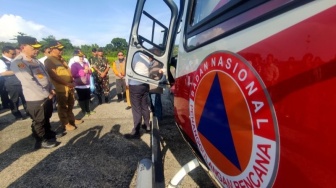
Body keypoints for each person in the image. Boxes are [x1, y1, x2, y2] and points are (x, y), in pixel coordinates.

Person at [11, 36, 59, 149]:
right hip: (36, 97)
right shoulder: (19, 62)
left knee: (46, 116)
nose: (37, 50)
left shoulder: (35, 60)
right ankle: (41, 140)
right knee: (39, 120)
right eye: (34, 48)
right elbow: (29, 82)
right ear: (23, 47)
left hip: (47, 94)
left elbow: (46, 76)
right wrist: (46, 94)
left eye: (37, 48)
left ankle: (48, 133)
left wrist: (51, 88)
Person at [44, 40, 83, 133]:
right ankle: (65, 124)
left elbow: (68, 70)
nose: (62, 50)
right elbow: (53, 75)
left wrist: (72, 81)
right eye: (59, 49)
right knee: (62, 106)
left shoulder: (61, 59)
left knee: (70, 104)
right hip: (61, 88)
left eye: (62, 48)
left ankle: (71, 119)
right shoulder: (49, 60)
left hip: (69, 86)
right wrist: (67, 84)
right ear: (52, 49)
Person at [124, 52, 152, 139]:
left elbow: (128, 70)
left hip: (135, 85)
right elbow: (149, 68)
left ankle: (136, 131)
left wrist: (127, 82)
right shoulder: (146, 56)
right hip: (145, 84)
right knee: (144, 106)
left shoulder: (132, 54)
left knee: (136, 109)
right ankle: (147, 126)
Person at [0, 45, 27, 120]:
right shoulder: (1, 61)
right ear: (5, 52)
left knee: (25, 98)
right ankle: (16, 114)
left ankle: (28, 111)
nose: (14, 55)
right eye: (12, 54)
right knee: (14, 100)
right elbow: (3, 73)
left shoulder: (16, 59)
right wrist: (17, 71)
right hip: (11, 83)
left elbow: (23, 68)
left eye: (14, 53)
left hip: (21, 82)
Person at [70, 52, 96, 117]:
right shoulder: (74, 65)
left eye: (82, 57)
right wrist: (83, 72)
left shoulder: (86, 63)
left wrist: (90, 70)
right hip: (79, 85)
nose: (81, 58)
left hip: (87, 84)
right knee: (82, 98)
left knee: (88, 97)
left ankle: (88, 110)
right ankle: (84, 110)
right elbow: (73, 75)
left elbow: (90, 72)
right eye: (79, 57)